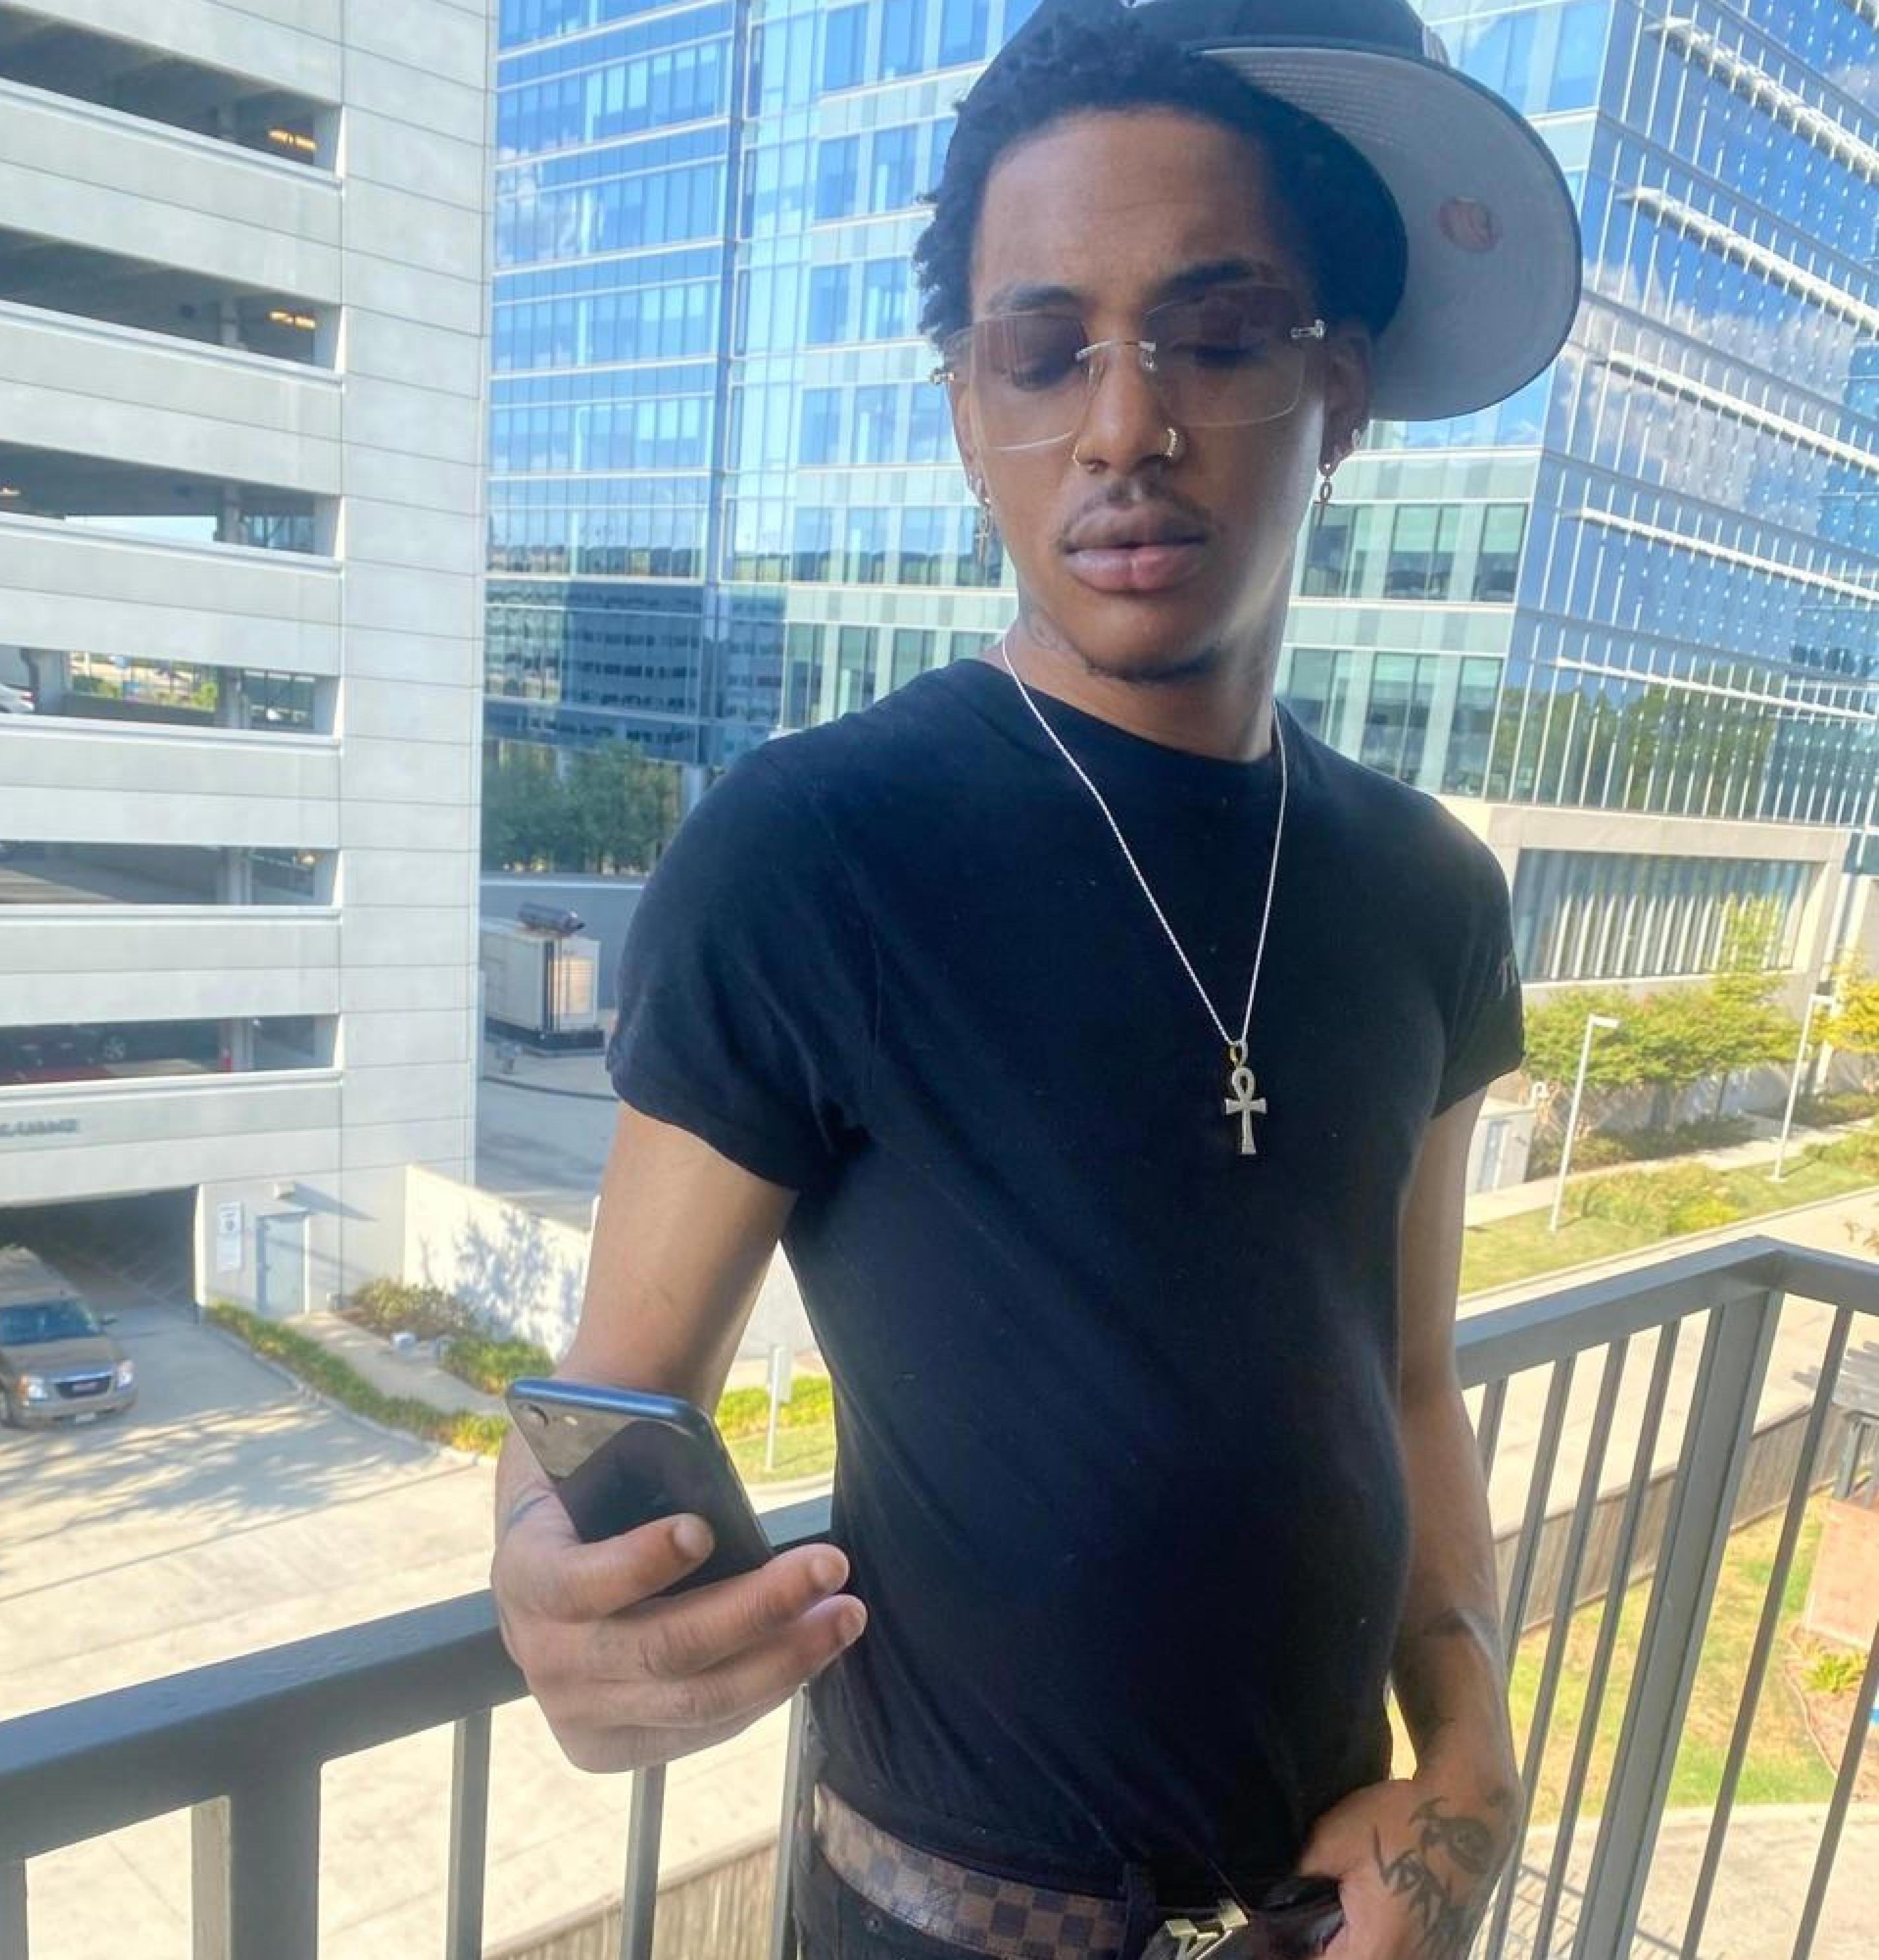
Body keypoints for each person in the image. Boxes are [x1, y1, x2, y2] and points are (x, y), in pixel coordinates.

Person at [491, 1, 1582, 1954]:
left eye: (1216, 335)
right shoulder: (813, 849)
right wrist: (547, 1586)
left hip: (1328, 1910)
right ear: (967, 410)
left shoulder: (1430, 888)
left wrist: (1474, 1766)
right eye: (1043, 347)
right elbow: (610, 1390)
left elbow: (1409, 1376)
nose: (1124, 425)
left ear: (1337, 390)